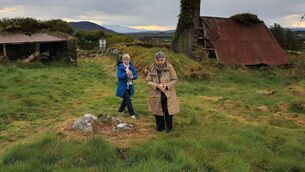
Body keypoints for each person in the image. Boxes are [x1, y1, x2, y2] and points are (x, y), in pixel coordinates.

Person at [145, 51, 179, 132]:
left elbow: (175, 79)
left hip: (168, 93)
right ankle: (160, 128)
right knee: (157, 110)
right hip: (156, 93)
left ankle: (169, 129)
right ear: (155, 60)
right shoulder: (152, 67)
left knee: (168, 110)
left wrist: (166, 85)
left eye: (161, 60)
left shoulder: (170, 67)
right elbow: (148, 81)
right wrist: (157, 86)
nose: (160, 62)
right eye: (158, 60)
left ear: (164, 59)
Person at [116, 53, 138, 119]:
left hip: (130, 86)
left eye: (127, 59)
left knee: (126, 99)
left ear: (129, 60)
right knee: (128, 100)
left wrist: (132, 77)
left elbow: (136, 76)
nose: (126, 61)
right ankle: (132, 114)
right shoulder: (120, 67)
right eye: (124, 60)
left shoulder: (131, 67)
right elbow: (119, 76)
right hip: (123, 87)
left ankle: (121, 110)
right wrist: (126, 73)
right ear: (122, 60)